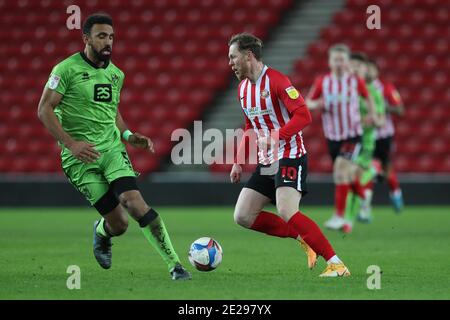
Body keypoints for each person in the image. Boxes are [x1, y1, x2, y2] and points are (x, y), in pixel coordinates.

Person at [37, 13, 191, 280]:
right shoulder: (65, 70)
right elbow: (44, 110)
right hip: (80, 160)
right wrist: (70, 143)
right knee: (119, 224)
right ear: (86, 38)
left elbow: (111, 112)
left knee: (135, 203)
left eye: (111, 37)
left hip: (111, 151)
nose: (108, 42)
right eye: (101, 36)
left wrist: (129, 135)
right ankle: (101, 232)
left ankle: (175, 265)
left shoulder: (115, 74)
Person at [228, 33, 350, 277]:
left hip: (290, 154)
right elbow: (249, 125)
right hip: (267, 162)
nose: (230, 63)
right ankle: (303, 239)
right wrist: (238, 162)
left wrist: (276, 136)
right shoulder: (243, 89)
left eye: (233, 57)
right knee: (242, 215)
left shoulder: (277, 81)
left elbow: (304, 115)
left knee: (286, 210)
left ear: (248, 56)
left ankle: (337, 264)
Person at [306, 44, 377, 231]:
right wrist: (317, 103)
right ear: (330, 62)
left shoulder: (354, 81)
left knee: (339, 171)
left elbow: (368, 97)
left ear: (346, 62)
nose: (339, 63)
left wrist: (372, 114)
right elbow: (307, 102)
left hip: (353, 136)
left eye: (342, 60)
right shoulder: (323, 82)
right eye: (335, 60)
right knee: (349, 176)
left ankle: (339, 216)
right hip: (333, 137)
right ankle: (363, 199)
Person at [342, 54, 385, 231]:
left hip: (366, 143)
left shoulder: (373, 92)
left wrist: (372, 120)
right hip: (348, 141)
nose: (354, 70)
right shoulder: (343, 89)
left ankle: (347, 221)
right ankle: (372, 172)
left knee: (353, 177)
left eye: (358, 67)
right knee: (348, 179)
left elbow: (381, 120)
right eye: (351, 67)